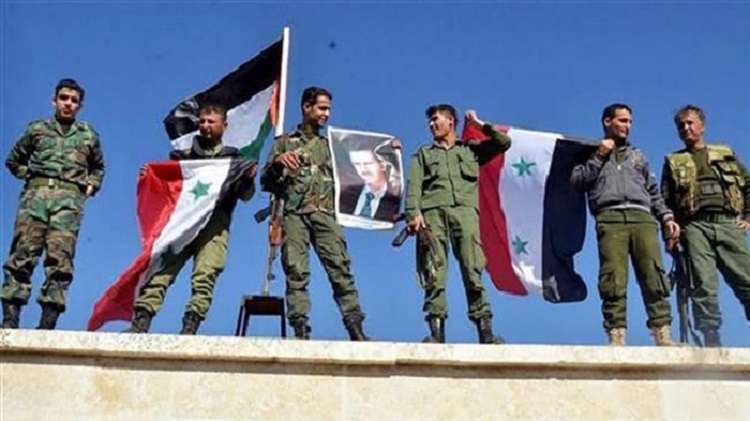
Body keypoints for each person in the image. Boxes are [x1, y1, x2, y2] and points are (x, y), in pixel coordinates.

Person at [125, 104, 256, 335]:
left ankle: (191, 326)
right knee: (162, 269)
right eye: (202, 121)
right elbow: (166, 190)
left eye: (211, 121)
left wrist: (247, 179)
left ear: (224, 126)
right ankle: (141, 321)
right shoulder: (183, 157)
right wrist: (150, 177)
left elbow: (246, 196)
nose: (205, 126)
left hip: (215, 223)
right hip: (183, 222)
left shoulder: (234, 159)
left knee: (206, 273)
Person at [260, 86, 371, 341]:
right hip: (294, 215)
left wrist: (387, 151)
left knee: (340, 268)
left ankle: (355, 328)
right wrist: (278, 163)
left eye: (328, 109)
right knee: (296, 271)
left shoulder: (332, 146)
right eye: (322, 108)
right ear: (306, 107)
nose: (326, 114)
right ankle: (300, 329)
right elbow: (265, 181)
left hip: (326, 214)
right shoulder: (284, 142)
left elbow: (363, 170)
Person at [571, 103, 678, 346]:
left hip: (643, 218)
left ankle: (663, 334)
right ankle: (616, 335)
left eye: (630, 121)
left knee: (653, 275)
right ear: (607, 122)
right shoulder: (589, 153)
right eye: (622, 120)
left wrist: (667, 217)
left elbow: (653, 191)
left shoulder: (638, 155)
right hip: (610, 219)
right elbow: (577, 181)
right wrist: (599, 156)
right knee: (613, 279)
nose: (627, 126)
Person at [2, 78, 105, 330]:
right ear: (54, 100)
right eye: (63, 98)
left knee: (61, 259)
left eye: (73, 100)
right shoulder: (37, 129)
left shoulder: (88, 135)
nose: (68, 104)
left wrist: (92, 185)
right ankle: (10, 318)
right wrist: (29, 175)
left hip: (68, 203)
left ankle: (48, 321)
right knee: (22, 255)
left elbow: (98, 167)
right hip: (35, 198)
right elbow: (13, 160)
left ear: (80, 106)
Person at [404, 104, 510, 344]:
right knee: (434, 272)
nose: (431, 125)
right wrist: (413, 213)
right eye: (430, 121)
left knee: (473, 269)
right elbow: (414, 186)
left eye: (436, 119)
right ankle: (436, 333)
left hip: (465, 214)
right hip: (432, 215)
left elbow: (503, 143)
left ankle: (485, 332)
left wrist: (479, 124)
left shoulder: (471, 150)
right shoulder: (424, 154)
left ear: (450, 121)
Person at [661, 104, 750, 347]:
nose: (686, 128)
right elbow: (665, 201)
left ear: (702, 125)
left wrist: (748, 217)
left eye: (690, 123)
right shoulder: (673, 161)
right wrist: (669, 235)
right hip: (694, 227)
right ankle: (710, 334)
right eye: (681, 125)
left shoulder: (725, 153)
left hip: (727, 224)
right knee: (702, 283)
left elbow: (748, 183)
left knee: (746, 277)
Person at [339, 140, 402, 221]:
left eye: (367, 163)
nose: (362, 169)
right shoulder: (347, 194)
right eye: (357, 164)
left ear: (383, 165)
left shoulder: (393, 198)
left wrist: (395, 151)